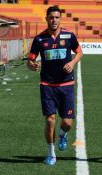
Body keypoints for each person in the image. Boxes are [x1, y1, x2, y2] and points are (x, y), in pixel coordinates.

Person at [27, 5, 83, 166]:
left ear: (60, 19)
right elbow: (30, 60)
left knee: (67, 123)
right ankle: (51, 154)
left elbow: (79, 52)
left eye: (57, 17)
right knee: (50, 120)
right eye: (51, 17)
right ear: (46, 19)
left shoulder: (69, 36)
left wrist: (72, 63)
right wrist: (32, 65)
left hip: (66, 84)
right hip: (47, 85)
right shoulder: (39, 39)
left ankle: (62, 135)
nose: (54, 20)